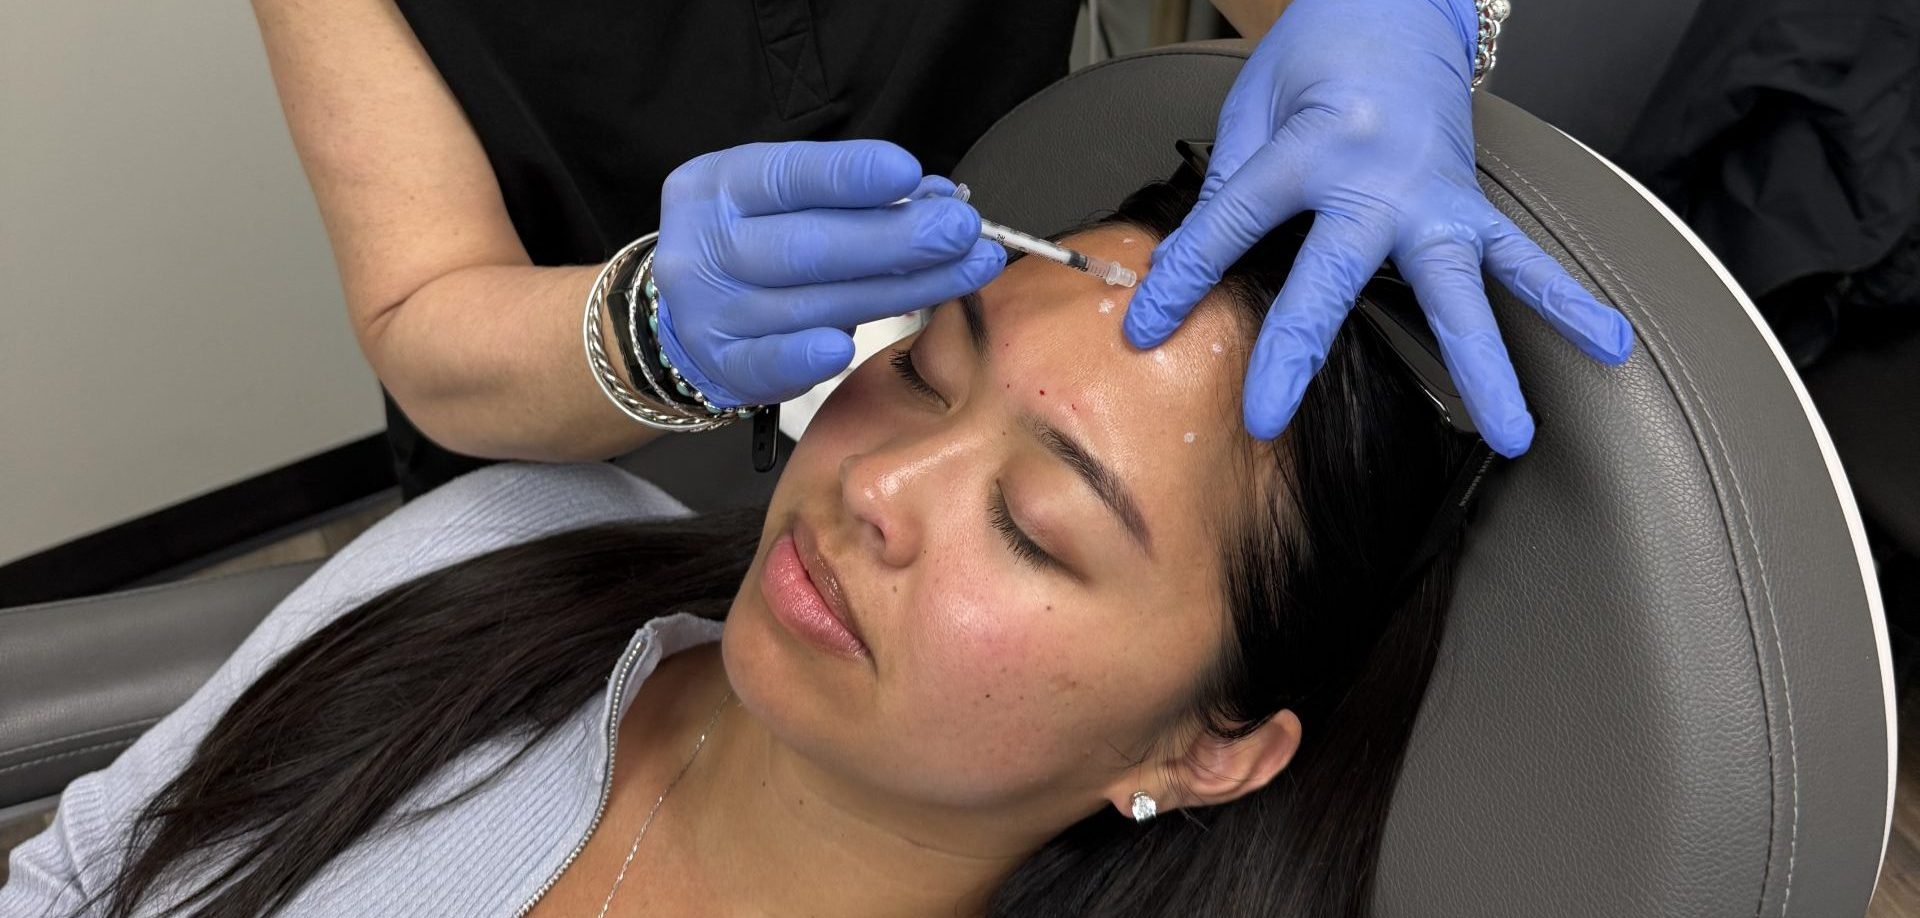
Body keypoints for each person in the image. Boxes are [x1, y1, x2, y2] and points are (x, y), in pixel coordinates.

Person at [5, 162, 1486, 918]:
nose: (871, 486)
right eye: (919, 370)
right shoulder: (499, 551)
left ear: (1203, 748)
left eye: (1035, 526)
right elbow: (70, 905)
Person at [249, 0, 1634, 499]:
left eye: (1045, 530)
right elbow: (430, 313)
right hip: (568, 469)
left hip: (993, 326)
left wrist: (1401, 17)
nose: (878, 509)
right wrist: (644, 332)